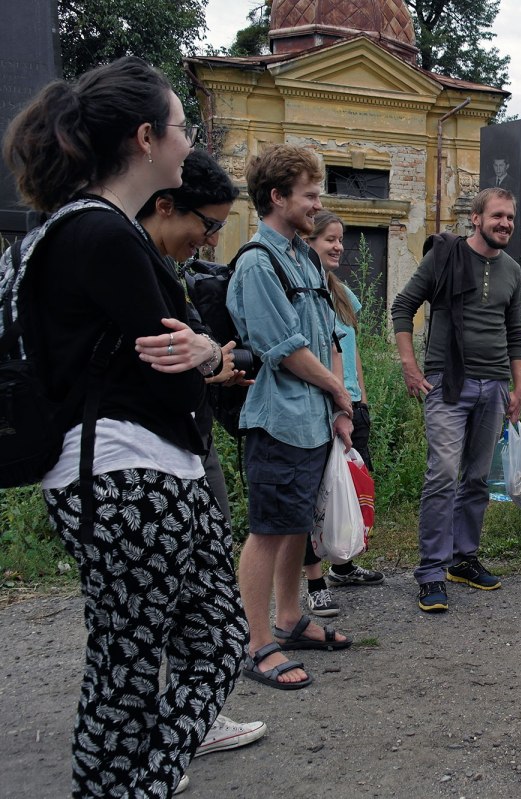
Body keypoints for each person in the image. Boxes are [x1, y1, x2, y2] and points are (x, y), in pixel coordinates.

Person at [3, 56, 247, 796]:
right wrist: (209, 353)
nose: (188, 140)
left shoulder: (56, 234)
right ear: (146, 138)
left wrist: (200, 351)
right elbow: (168, 358)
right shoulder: (104, 237)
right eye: (182, 126)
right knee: (149, 661)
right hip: (133, 476)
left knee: (166, 653)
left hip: (109, 474)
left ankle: (127, 785)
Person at [134, 149, 267, 757]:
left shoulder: (166, 269)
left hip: (191, 441)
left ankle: (192, 717)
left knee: (198, 592)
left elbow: (200, 349)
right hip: (145, 458)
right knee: (151, 602)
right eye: (207, 225)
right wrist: (211, 359)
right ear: (165, 205)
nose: (211, 239)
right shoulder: (126, 264)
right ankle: (145, 745)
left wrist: (215, 362)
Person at [227, 144, 353, 691]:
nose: (316, 203)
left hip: (311, 421)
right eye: (308, 194)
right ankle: (258, 644)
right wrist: (338, 390)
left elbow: (325, 335)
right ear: (277, 197)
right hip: (277, 420)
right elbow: (286, 348)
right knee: (267, 531)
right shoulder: (259, 263)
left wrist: (336, 409)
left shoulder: (303, 257)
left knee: (295, 527)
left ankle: (289, 619)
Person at [391, 187, 521, 613]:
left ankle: (462, 558)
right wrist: (411, 367)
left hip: (495, 386)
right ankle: (431, 573)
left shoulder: (512, 270)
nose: (505, 223)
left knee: (477, 478)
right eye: (498, 216)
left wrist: (518, 385)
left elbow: (516, 331)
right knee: (443, 474)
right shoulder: (445, 257)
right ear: (476, 218)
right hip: (448, 383)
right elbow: (402, 306)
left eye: (510, 217)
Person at [300, 211, 384, 617]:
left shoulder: (343, 294)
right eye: (329, 239)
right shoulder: (299, 291)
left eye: (340, 240)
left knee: (350, 489)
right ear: (308, 241)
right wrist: (337, 401)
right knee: (318, 495)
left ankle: (343, 565)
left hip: (352, 405)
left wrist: (360, 399)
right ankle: (314, 583)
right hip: (321, 407)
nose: (337, 247)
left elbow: (353, 353)